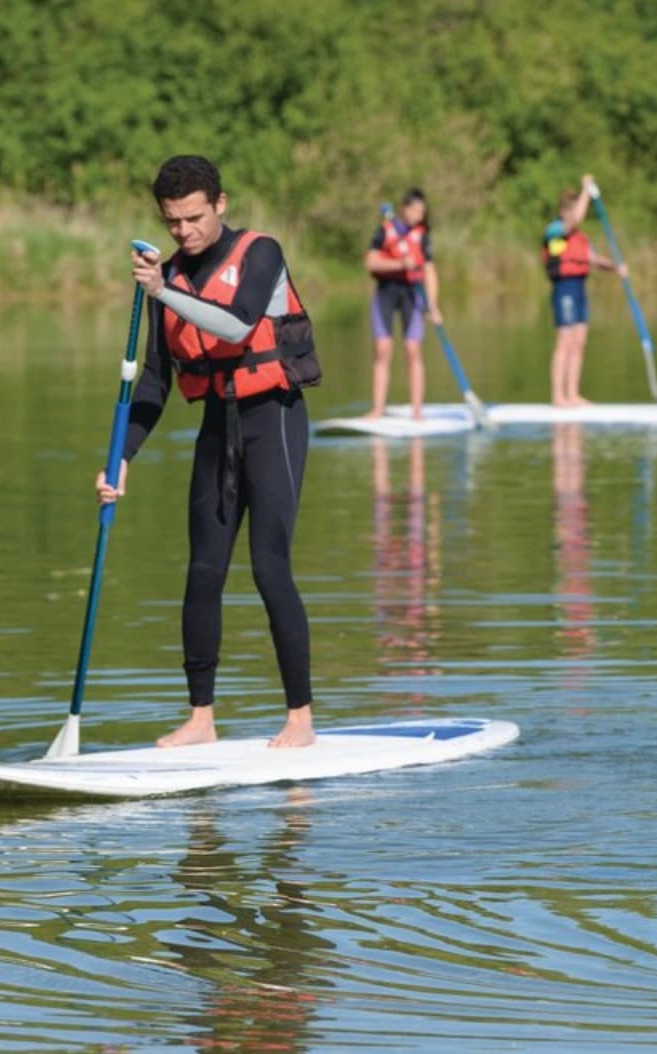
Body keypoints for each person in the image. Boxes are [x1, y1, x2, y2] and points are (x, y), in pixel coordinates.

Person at [95, 154, 321, 749]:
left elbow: (240, 327)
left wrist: (164, 291)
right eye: (172, 222)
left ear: (219, 204)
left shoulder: (261, 252)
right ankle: (201, 718)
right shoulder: (167, 278)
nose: (184, 231)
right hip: (217, 430)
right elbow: (154, 381)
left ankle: (300, 717)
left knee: (270, 567)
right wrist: (121, 456)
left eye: (193, 218)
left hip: (273, 420)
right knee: (201, 573)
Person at [542, 175, 626, 407]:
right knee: (565, 340)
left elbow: (594, 259)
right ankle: (558, 397)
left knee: (579, 340)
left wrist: (617, 267)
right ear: (562, 212)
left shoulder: (580, 237)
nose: (574, 216)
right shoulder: (555, 230)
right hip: (564, 289)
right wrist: (586, 190)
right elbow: (575, 219)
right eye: (569, 211)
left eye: (574, 211)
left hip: (579, 288)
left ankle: (573, 394)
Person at [363, 190, 442, 419]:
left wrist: (433, 306)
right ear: (404, 208)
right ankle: (377, 409)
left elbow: (429, 270)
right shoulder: (385, 230)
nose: (419, 215)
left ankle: (417, 411)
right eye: (415, 210)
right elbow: (371, 262)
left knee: (412, 349)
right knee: (383, 349)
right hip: (386, 292)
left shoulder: (422, 235)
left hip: (412, 293)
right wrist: (399, 264)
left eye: (422, 212)